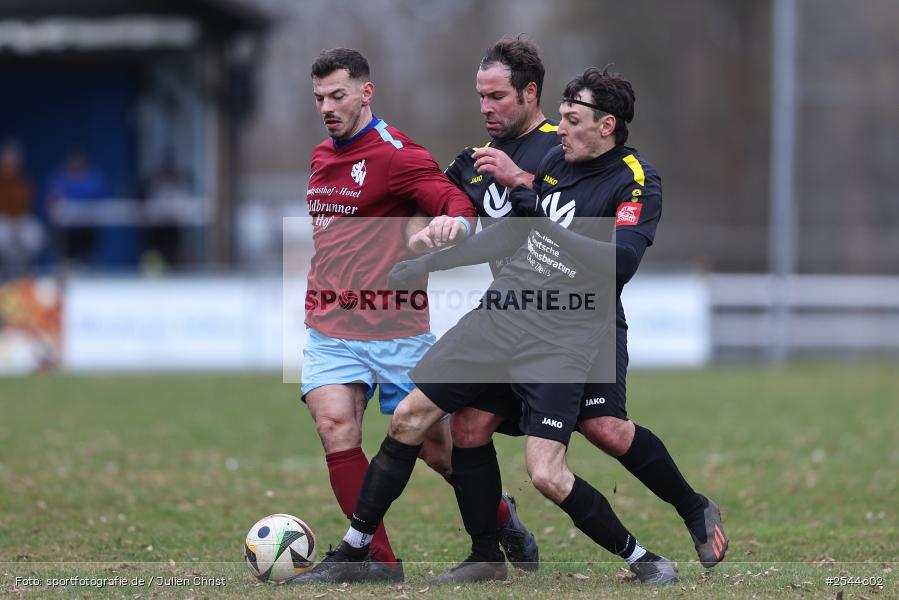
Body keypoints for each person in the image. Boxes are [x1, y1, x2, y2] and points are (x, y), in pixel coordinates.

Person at [294, 67, 693, 586]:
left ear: (531, 94)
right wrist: (423, 246)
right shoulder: (475, 161)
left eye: (497, 95)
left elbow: (601, 255)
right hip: (497, 318)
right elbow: (452, 207)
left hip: (569, 329)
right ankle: (378, 552)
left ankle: (660, 539)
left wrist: (524, 197)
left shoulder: (567, 155)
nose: (486, 106)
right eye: (480, 95)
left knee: (581, 445)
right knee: (433, 424)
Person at [444, 46, 729, 580]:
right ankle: (489, 553)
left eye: (572, 121)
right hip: (526, 321)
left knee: (606, 431)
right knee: (469, 423)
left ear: (607, 126)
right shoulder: (554, 158)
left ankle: (692, 508)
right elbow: (521, 207)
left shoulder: (635, 180)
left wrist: (537, 217)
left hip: (588, 326)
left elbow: (619, 262)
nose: (561, 131)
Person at [296, 48, 531, 584]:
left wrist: (450, 228)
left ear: (365, 92)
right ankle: (375, 561)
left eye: (338, 95)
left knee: (439, 451)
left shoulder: (398, 155)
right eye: (319, 99)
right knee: (335, 425)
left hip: (395, 327)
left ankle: (501, 516)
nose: (328, 107)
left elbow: (458, 206)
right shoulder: (319, 157)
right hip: (330, 324)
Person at [0, 141, 45, 273]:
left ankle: (26, 272)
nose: (10, 165)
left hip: (21, 219)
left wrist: (19, 219)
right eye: (8, 161)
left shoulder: (24, 181)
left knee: (34, 232)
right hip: (2, 219)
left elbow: (28, 205)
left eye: (14, 162)